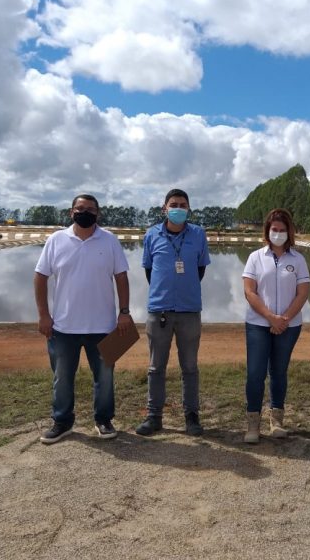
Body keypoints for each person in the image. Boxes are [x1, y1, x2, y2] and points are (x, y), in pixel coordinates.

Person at [34, 194, 132, 444]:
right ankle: (62, 421)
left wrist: (124, 312)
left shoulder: (109, 240)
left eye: (90, 209)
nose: (84, 212)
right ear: (71, 212)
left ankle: (104, 419)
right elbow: (40, 277)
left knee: (105, 377)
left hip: (103, 325)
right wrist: (44, 315)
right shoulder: (56, 240)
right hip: (63, 327)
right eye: (80, 208)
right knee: (62, 377)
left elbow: (121, 277)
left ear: (98, 214)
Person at [136, 189, 211, 436]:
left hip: (189, 310)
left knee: (189, 366)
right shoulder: (151, 235)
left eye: (183, 204)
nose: (178, 208)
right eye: (173, 204)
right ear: (164, 209)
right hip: (160, 310)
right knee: (156, 367)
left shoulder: (198, 234)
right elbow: (149, 270)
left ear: (189, 209)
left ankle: (192, 417)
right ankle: (154, 416)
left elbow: (199, 269)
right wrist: (166, 292)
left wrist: (182, 288)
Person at [242, 209, 310, 443]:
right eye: (274, 230)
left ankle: (277, 421)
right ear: (268, 231)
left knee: (279, 373)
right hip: (258, 324)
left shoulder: (298, 259)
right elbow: (249, 291)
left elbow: (303, 293)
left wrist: (284, 320)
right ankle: (253, 424)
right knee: (255, 374)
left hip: (289, 326)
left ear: (289, 232)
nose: (278, 234)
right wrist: (270, 317)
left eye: (282, 230)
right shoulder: (255, 257)